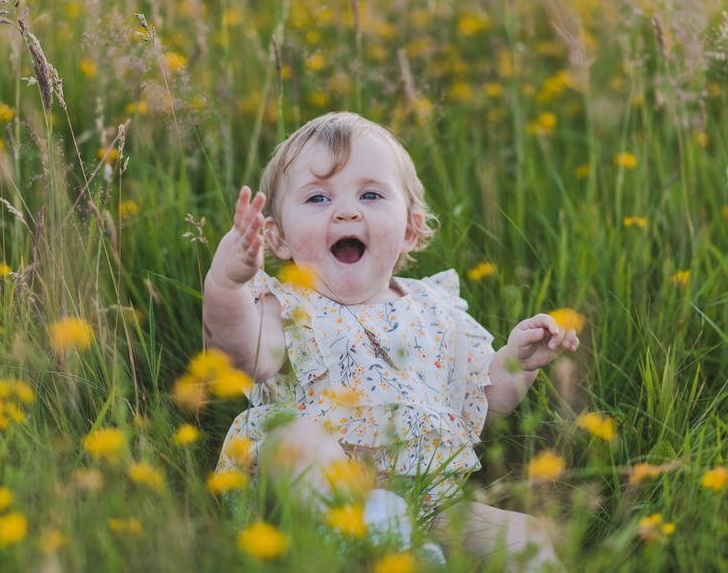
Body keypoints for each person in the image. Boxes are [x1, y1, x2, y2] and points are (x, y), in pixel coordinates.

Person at [203, 112, 578, 570]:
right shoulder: (284, 307)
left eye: (371, 194)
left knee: (525, 536)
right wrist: (226, 284)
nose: (346, 211)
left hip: (427, 507)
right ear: (277, 238)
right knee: (296, 441)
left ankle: (400, 548)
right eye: (318, 197)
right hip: (313, 496)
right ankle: (355, 551)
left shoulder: (436, 310)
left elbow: (478, 405)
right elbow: (239, 358)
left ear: (410, 228)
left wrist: (519, 363)